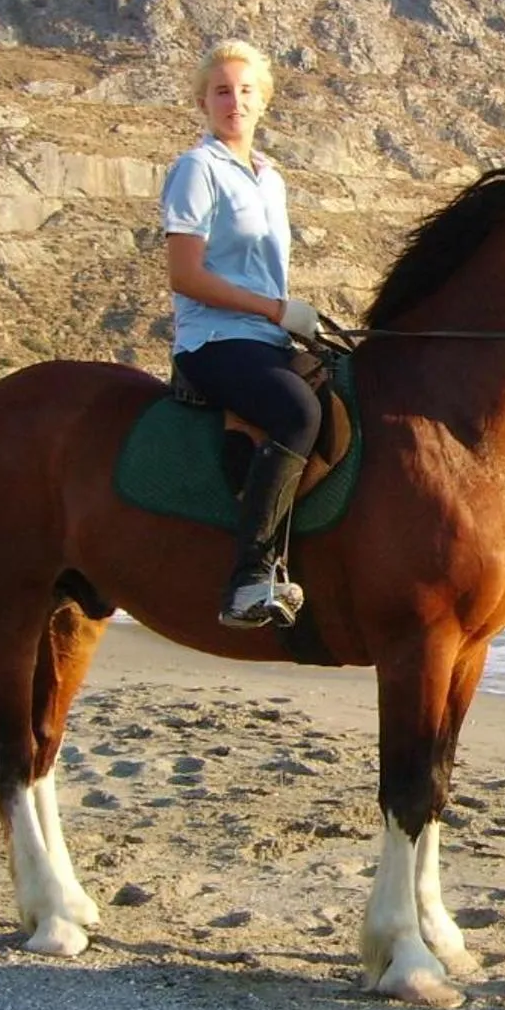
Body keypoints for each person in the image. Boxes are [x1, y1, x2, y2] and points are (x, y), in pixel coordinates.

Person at [161, 39, 323, 629]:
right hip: (214, 339)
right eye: (222, 90)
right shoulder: (197, 170)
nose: (235, 101)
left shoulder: (269, 177)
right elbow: (186, 275)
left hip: (266, 335)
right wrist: (278, 310)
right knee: (298, 415)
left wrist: (296, 321)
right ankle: (249, 578)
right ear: (203, 101)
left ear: (264, 102)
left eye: (246, 90)